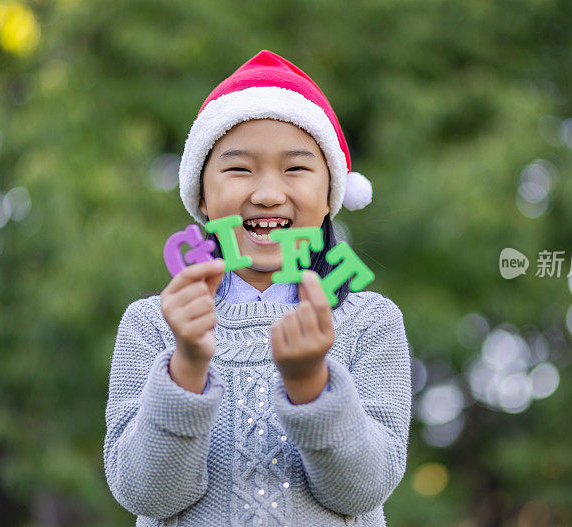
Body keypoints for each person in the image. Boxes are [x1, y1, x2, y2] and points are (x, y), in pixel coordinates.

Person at [103, 49, 412, 527]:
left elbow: (364, 488)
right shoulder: (152, 325)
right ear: (201, 196)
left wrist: (312, 382)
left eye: (295, 169)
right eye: (239, 169)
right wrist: (185, 365)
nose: (267, 193)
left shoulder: (370, 321)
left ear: (331, 193)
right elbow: (146, 494)